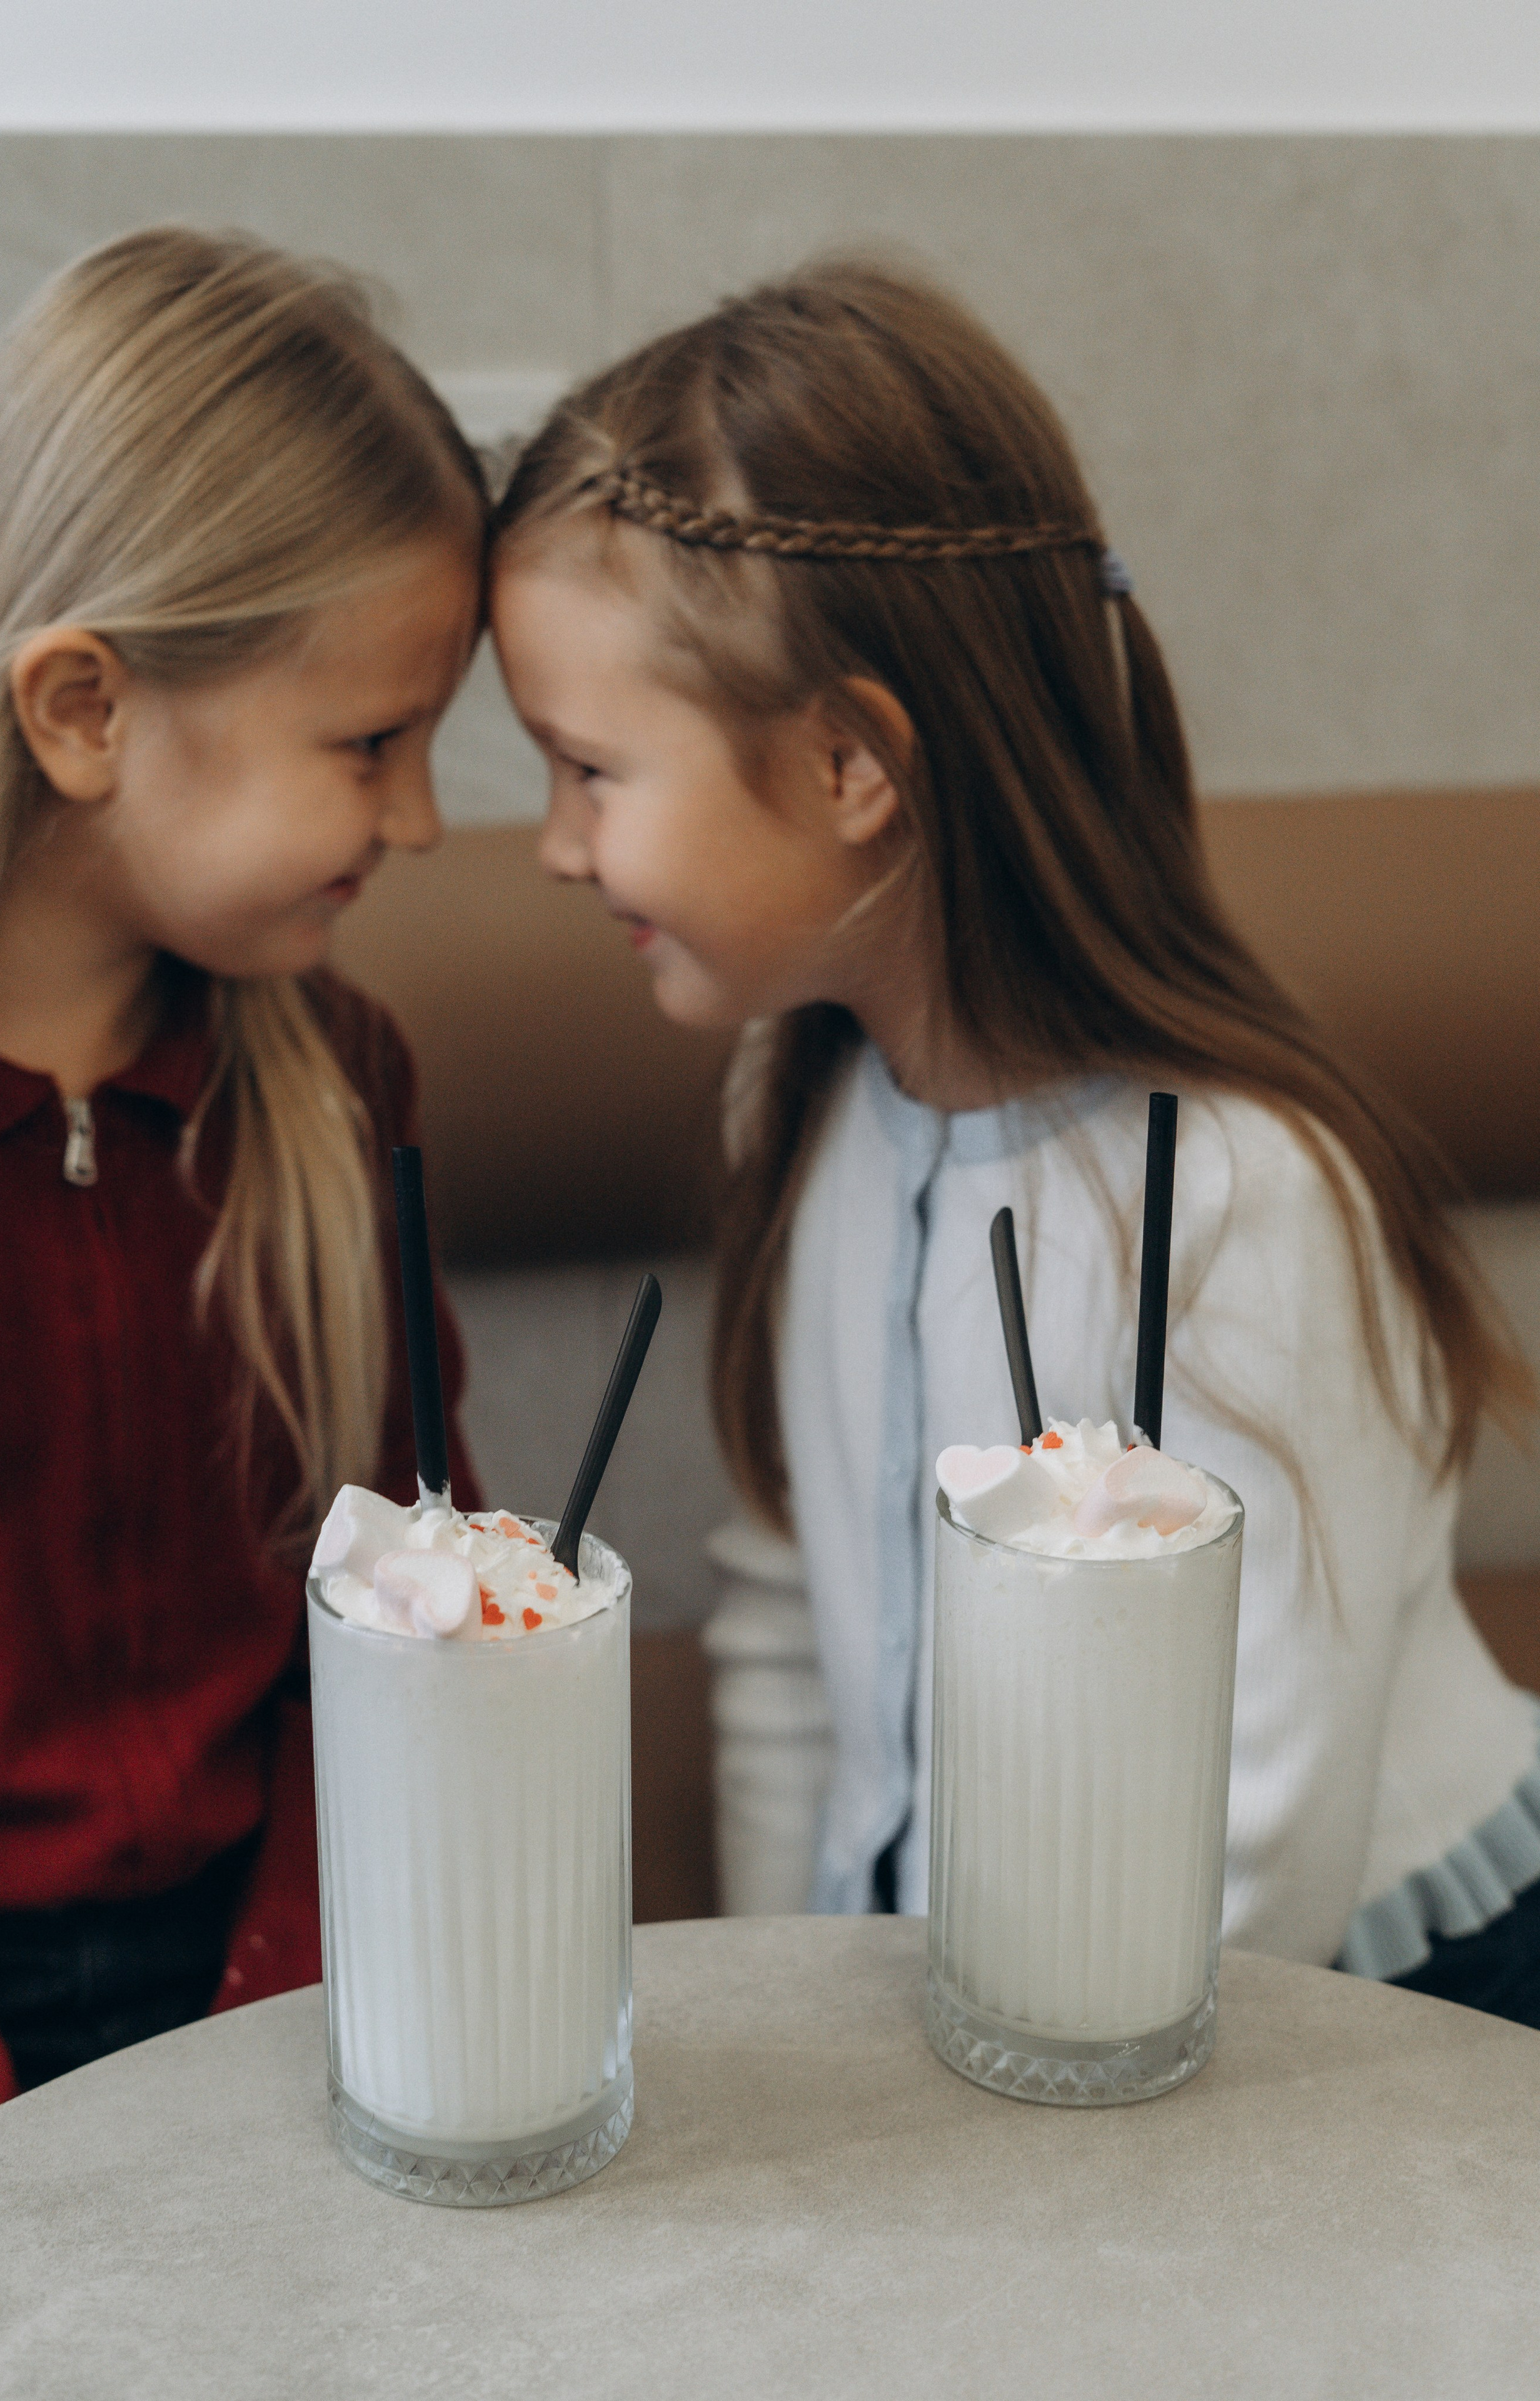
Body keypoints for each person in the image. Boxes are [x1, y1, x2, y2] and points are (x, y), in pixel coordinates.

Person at [490, 261, 1540, 2021]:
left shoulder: (1243, 1202)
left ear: (847, 766)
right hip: (989, 2036)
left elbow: (1256, 1851)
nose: (552, 845)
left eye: (590, 769)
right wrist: (802, 2011)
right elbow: (787, 1632)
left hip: (1360, 2021)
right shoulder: (797, 1095)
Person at [0, 229, 483, 2132]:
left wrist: (298, 2002)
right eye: (370, 744)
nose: (417, 819)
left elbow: (430, 1606)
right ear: (84, 709)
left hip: (292, 2003)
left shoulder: (337, 1086)